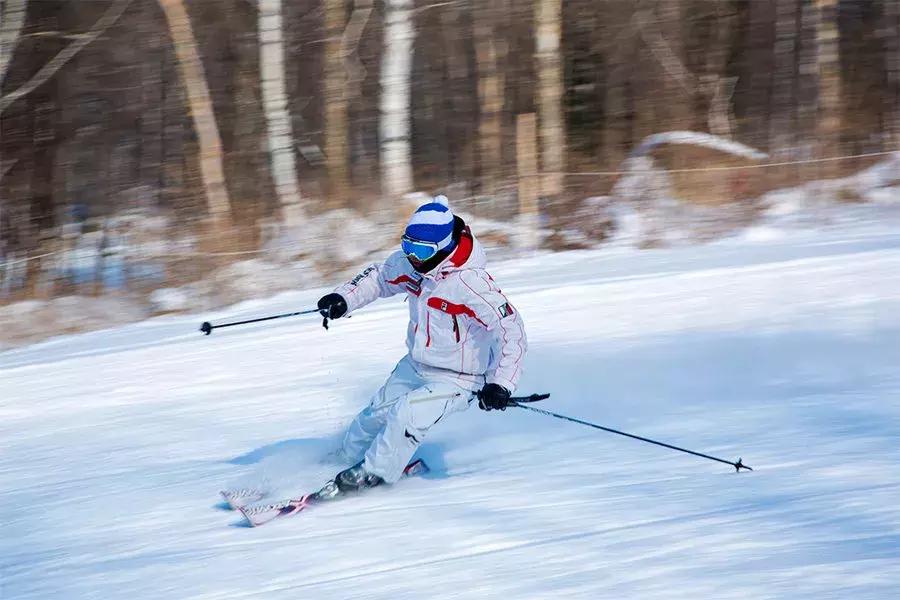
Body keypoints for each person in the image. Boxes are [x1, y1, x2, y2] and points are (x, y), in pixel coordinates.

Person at [315, 195, 527, 498]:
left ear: (442, 248)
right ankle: (345, 460)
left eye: (421, 250)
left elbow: (511, 328)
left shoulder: (470, 283)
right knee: (372, 416)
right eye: (408, 246)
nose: (412, 256)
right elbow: (378, 277)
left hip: (460, 378)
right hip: (416, 365)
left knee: (406, 414)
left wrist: (501, 383)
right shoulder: (414, 265)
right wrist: (344, 298)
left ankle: (375, 474)